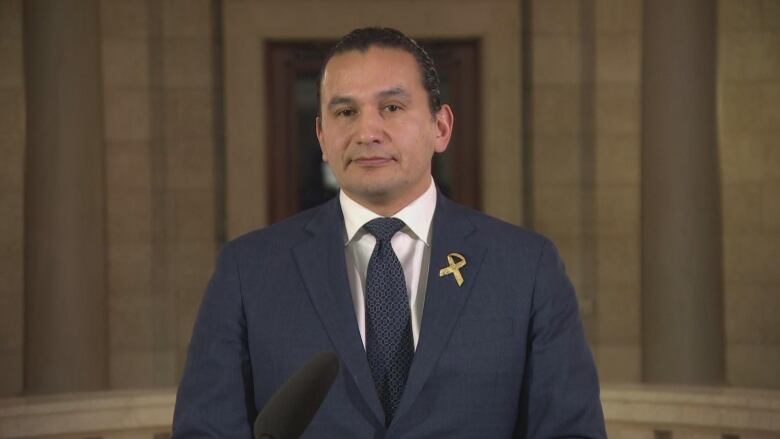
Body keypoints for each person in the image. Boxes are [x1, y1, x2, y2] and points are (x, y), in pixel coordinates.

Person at [172, 27, 606, 438]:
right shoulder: (247, 271)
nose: (367, 132)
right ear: (322, 137)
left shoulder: (527, 268)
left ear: (441, 127)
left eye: (392, 108)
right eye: (345, 112)